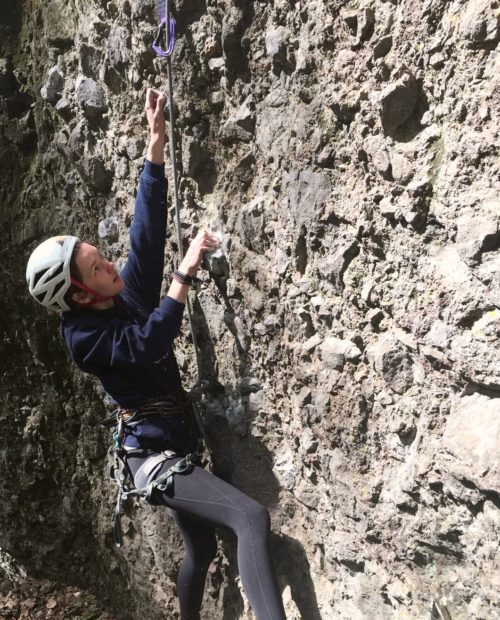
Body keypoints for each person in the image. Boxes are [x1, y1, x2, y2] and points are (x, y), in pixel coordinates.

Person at [25, 88, 287, 620]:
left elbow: (144, 234)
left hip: (174, 442)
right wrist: (184, 274)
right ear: (79, 295)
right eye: (96, 268)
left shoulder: (120, 293)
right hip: (156, 459)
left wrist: (155, 144)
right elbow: (147, 345)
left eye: (100, 258)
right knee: (250, 519)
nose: (109, 267)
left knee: (202, 548)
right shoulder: (85, 339)